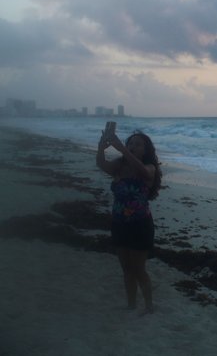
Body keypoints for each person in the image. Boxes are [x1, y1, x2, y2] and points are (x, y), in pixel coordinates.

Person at [96, 129, 162, 315]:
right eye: (130, 143)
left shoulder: (150, 167)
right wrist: (101, 147)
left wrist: (122, 149)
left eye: (138, 144)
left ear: (146, 149)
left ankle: (149, 306)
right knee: (126, 268)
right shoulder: (119, 165)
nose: (133, 146)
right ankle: (131, 304)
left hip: (140, 225)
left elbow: (143, 172)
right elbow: (101, 164)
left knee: (139, 269)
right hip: (119, 223)